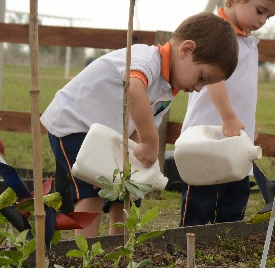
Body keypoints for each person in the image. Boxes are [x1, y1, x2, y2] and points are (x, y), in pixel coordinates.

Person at [41, 12, 239, 238]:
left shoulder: (167, 90)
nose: (198, 88)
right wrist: (150, 140)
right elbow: (133, 90)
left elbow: (138, 127)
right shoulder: (145, 59)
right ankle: (85, 260)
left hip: (101, 136)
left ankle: (118, 247)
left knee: (128, 189)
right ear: (186, 50)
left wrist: (135, 157)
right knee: (91, 190)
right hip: (73, 124)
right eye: (202, 77)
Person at [179, 0, 275, 227]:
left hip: (235, 138)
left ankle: (226, 240)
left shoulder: (248, 40)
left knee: (236, 193)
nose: (263, 20)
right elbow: (214, 80)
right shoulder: (218, 35)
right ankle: (190, 242)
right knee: (201, 195)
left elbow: (243, 88)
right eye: (260, 11)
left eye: (269, 16)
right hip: (207, 135)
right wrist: (229, 116)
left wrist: (248, 122)